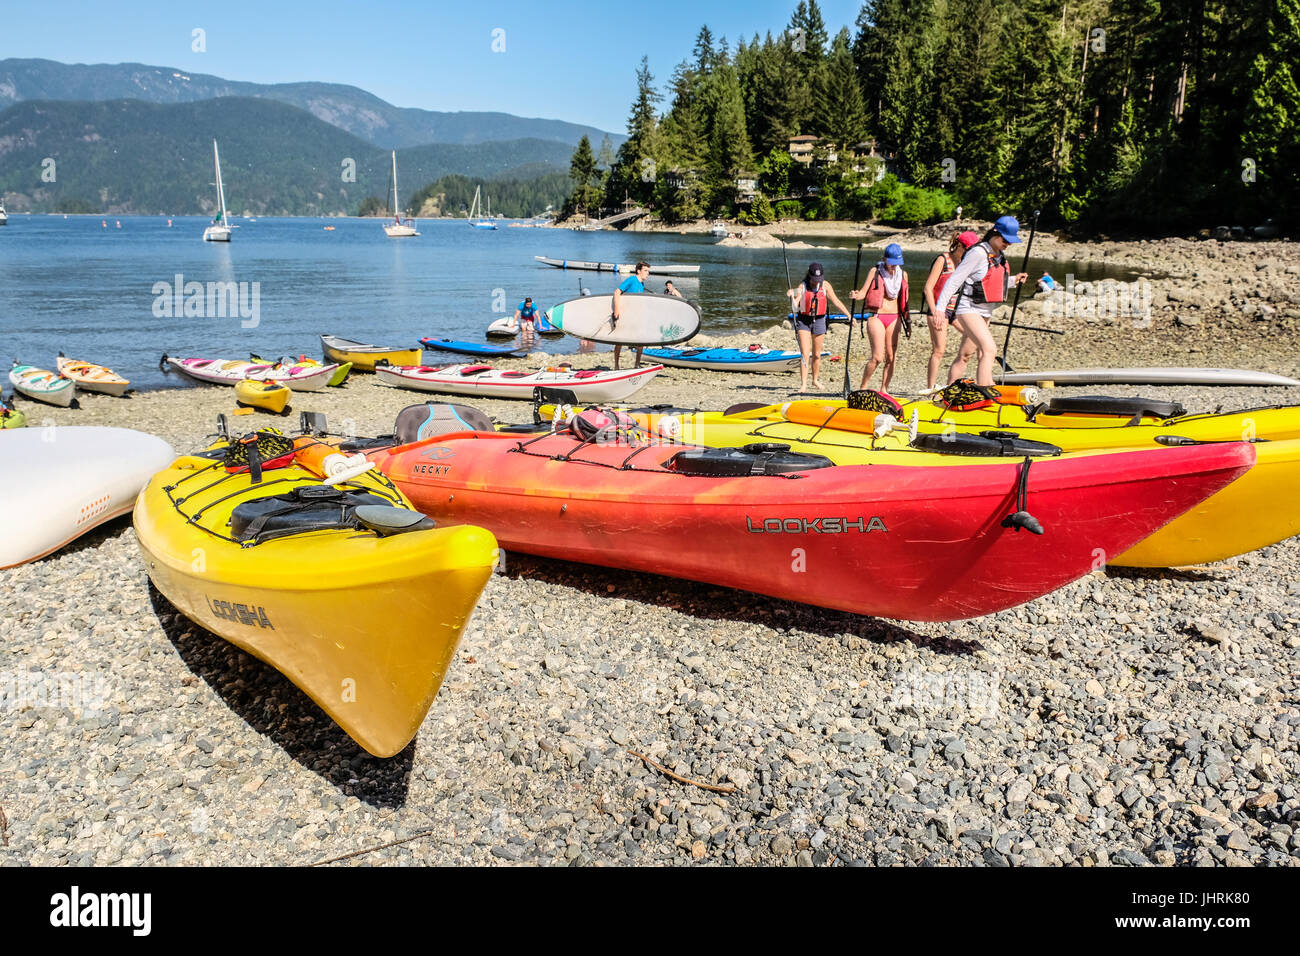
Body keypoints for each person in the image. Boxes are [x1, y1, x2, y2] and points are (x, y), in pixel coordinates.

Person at [933, 215, 1030, 386]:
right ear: (995, 232)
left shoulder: (999, 254)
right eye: (1005, 239)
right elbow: (954, 280)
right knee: (989, 349)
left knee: (965, 355)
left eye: (1010, 241)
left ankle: (950, 391)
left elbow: (989, 282)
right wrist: (940, 309)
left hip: (985, 311)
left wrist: (1014, 281)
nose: (1008, 243)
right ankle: (987, 388)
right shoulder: (978, 253)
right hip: (968, 308)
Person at [921, 231, 979, 390]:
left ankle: (953, 382)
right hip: (939, 310)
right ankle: (931, 388)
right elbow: (928, 288)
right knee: (939, 350)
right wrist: (935, 312)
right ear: (959, 245)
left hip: (956, 311)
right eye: (969, 250)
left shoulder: (966, 263)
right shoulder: (943, 259)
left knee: (975, 337)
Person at [849, 243, 910, 393]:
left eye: (897, 264)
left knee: (891, 356)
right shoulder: (875, 271)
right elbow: (863, 293)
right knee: (877, 357)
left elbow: (905, 299)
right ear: (884, 259)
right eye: (891, 263)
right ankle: (863, 387)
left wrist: (908, 322)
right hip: (876, 316)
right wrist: (855, 295)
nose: (894, 267)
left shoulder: (903, 275)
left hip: (895, 317)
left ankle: (884, 389)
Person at [787, 262, 852, 392]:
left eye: (819, 279)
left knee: (817, 354)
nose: (816, 282)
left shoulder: (825, 286)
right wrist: (792, 298)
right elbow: (795, 308)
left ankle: (815, 380)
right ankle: (803, 384)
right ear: (809, 275)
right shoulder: (802, 286)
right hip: (804, 321)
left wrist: (849, 315)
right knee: (805, 353)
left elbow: (836, 301)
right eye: (814, 279)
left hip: (820, 320)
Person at [613, 261, 651, 369]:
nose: (647, 273)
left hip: (636, 316)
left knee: (640, 340)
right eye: (645, 271)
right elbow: (617, 292)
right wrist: (617, 311)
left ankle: (637, 364)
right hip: (625, 315)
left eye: (648, 271)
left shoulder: (642, 284)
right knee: (619, 341)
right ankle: (616, 365)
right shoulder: (631, 280)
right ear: (639, 271)